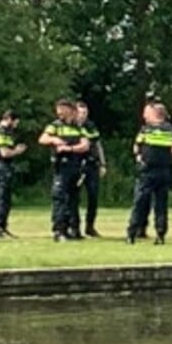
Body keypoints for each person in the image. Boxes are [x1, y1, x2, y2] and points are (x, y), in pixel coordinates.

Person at [126, 102, 172, 245]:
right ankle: (160, 234)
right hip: (164, 170)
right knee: (161, 204)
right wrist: (166, 157)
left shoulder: (146, 130)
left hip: (148, 171)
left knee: (139, 202)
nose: (144, 116)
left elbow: (136, 147)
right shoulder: (170, 130)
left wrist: (141, 157)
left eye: (147, 113)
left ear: (155, 114)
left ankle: (132, 232)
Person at [39, 99, 90, 241]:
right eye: (58, 110)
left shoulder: (79, 128)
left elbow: (85, 145)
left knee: (73, 199)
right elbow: (43, 138)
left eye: (62, 110)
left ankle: (72, 229)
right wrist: (54, 140)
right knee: (59, 198)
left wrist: (70, 148)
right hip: (61, 167)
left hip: (75, 166)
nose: (59, 113)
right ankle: (59, 230)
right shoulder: (55, 126)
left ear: (71, 110)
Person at [0, 110, 26, 239]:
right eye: (15, 122)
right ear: (9, 119)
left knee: (6, 199)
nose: (15, 126)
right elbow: (4, 153)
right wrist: (17, 151)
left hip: (6, 167)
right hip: (0, 167)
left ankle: (3, 226)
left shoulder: (7, 133)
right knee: (0, 198)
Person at [74, 100, 106, 239]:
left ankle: (90, 226)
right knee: (74, 197)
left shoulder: (91, 126)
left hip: (92, 165)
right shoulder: (71, 127)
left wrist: (103, 163)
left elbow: (98, 145)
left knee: (93, 197)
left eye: (85, 113)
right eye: (80, 113)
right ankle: (74, 226)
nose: (83, 116)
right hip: (77, 165)